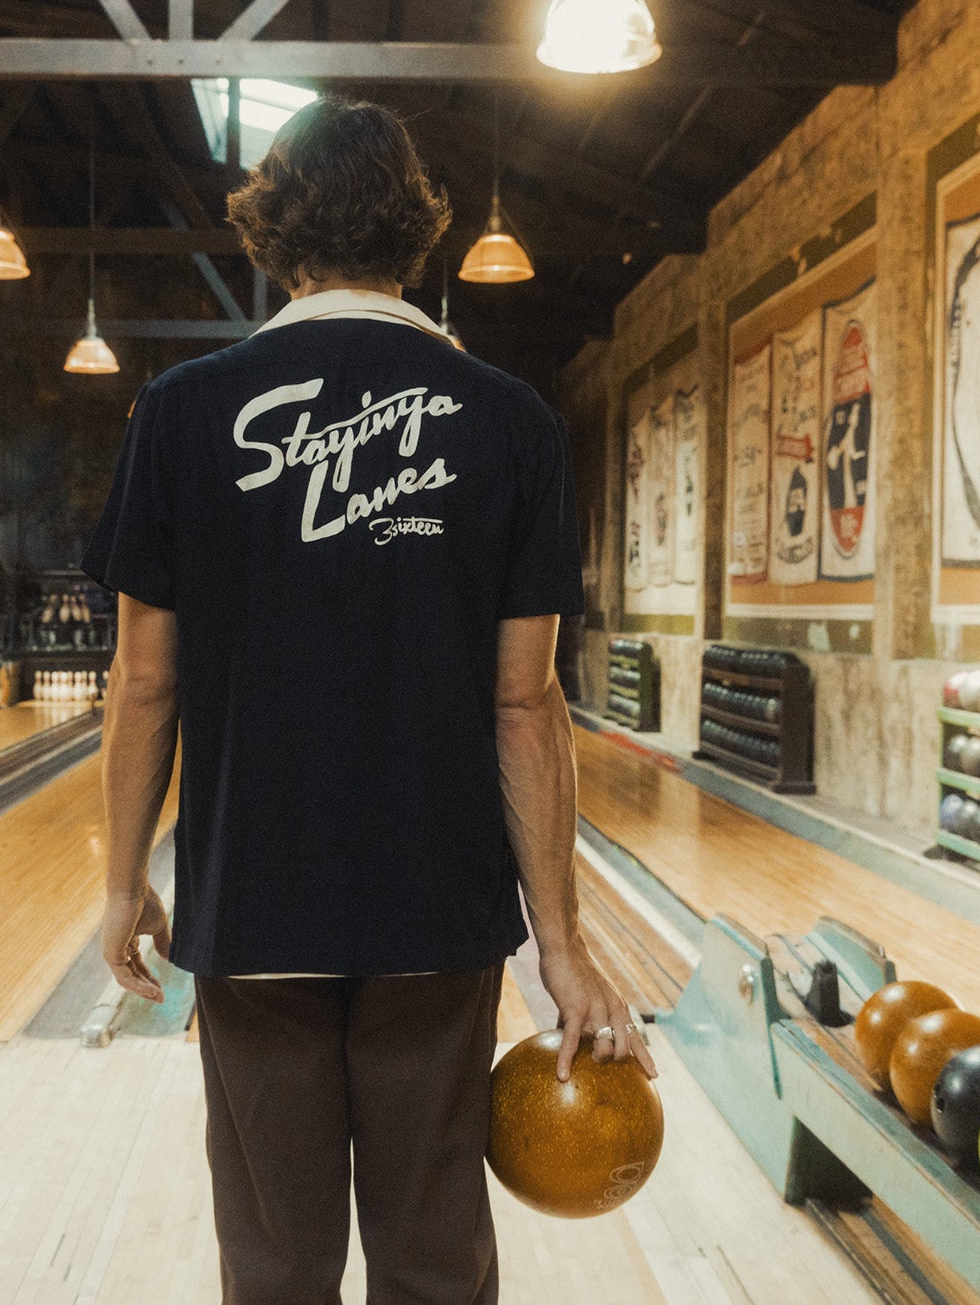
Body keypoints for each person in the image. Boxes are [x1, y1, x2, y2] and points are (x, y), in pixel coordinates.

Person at [85, 96, 655, 1305]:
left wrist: (120, 876)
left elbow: (144, 681)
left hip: (253, 909)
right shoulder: (512, 423)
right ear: (417, 233)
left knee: (276, 1263)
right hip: (435, 916)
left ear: (269, 231)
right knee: (433, 1259)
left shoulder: (181, 413)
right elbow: (525, 702)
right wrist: (560, 943)